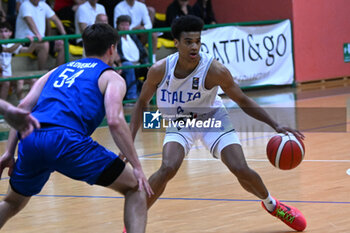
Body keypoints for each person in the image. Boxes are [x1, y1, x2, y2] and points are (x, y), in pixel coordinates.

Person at [128, 15, 307, 232]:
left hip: (211, 118)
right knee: (167, 168)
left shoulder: (214, 70)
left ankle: (272, 204)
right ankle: (133, 224)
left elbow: (242, 99)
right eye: (188, 42)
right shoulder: (159, 70)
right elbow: (141, 103)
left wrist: (275, 125)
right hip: (179, 121)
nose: (194, 46)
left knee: (240, 168)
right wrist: (130, 139)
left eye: (197, 41)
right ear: (176, 43)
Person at [0, 23, 153, 233]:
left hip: (31, 137)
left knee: (12, 202)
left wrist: (9, 152)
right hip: (67, 140)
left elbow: (23, 107)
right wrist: (136, 165)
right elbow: (115, 121)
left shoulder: (57, 70)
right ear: (112, 49)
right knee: (135, 187)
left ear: (84, 48)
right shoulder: (111, 77)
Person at [15, 0, 67, 70]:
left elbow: (55, 19)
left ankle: (56, 72)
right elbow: (29, 21)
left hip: (39, 39)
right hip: (25, 40)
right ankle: (41, 73)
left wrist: (64, 36)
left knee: (63, 45)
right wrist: (37, 34)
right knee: (44, 45)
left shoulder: (43, 5)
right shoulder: (25, 5)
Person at [116, 15, 148, 100]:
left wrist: (146, 62)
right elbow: (118, 53)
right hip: (124, 63)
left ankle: (147, 95)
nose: (125, 27)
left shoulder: (133, 36)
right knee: (129, 66)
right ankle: (131, 97)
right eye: (122, 25)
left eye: (127, 25)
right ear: (118, 26)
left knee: (151, 68)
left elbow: (142, 50)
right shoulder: (116, 37)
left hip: (138, 62)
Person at [0, 21, 35, 100]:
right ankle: (2, 110)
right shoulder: (8, 45)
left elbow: (28, 51)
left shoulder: (11, 44)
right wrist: (21, 40)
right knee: (6, 82)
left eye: (6, 31)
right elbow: (9, 50)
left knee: (32, 79)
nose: (3, 34)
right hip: (2, 77)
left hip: (9, 76)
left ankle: (25, 105)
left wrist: (34, 41)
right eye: (1, 31)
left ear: (10, 33)